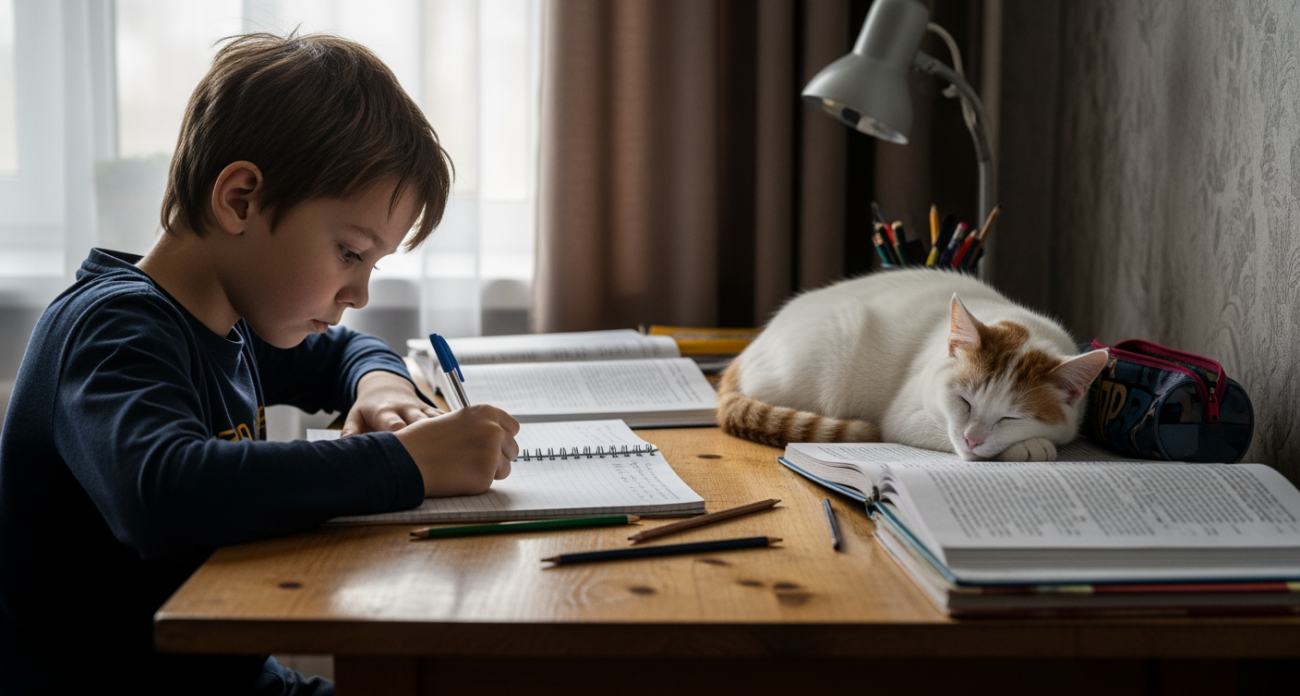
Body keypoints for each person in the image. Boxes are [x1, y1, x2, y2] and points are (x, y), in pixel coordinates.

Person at [0, 33, 519, 695]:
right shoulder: (114, 329)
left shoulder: (228, 322)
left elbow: (345, 352)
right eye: (351, 253)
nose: (360, 293)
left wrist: (381, 387)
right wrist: (407, 463)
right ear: (240, 199)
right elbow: (163, 494)